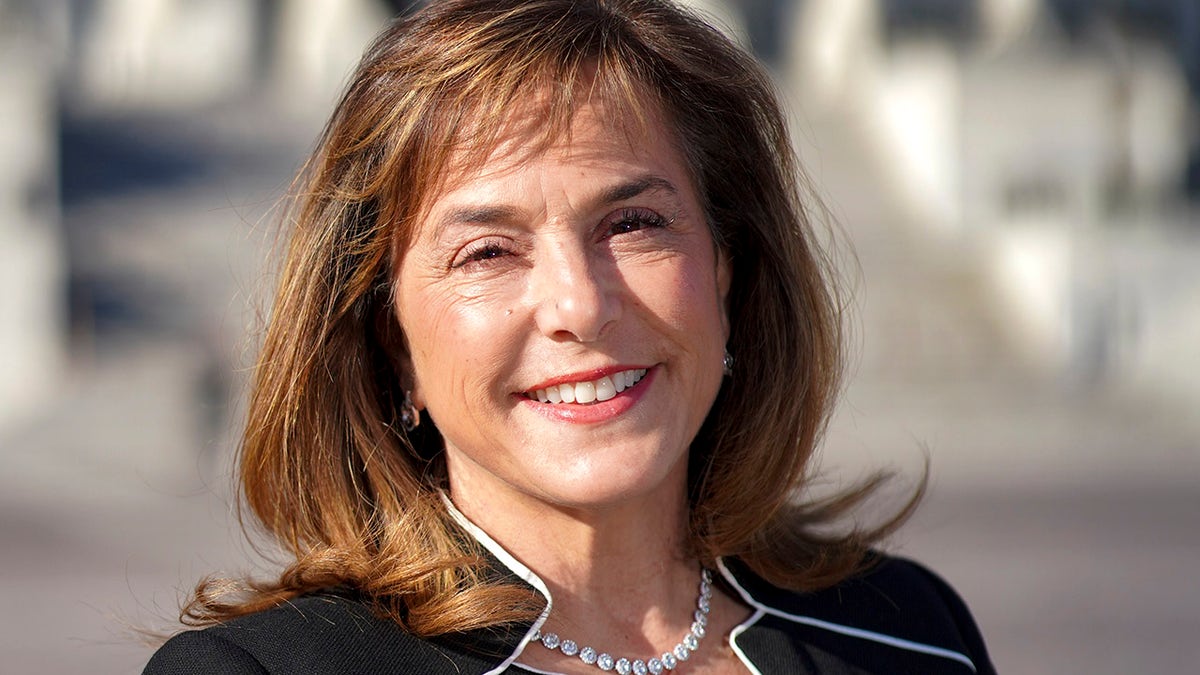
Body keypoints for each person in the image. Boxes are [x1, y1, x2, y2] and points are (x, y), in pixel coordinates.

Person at [144, 0, 994, 673]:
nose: (580, 305)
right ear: (391, 341)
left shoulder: (911, 635)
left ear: (728, 271)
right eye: (487, 250)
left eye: (632, 223)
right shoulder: (259, 673)